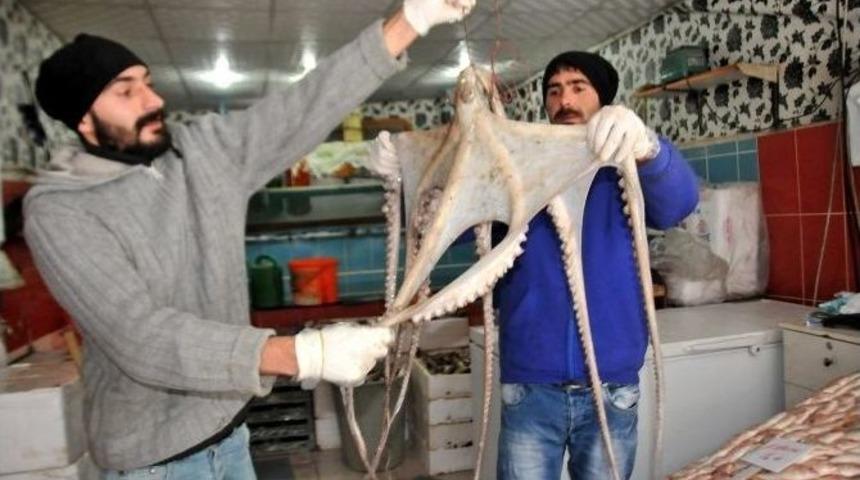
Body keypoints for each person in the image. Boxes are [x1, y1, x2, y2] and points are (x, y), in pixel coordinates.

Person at [23, 1, 475, 477]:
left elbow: (296, 109)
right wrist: (301, 354)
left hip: (232, 438)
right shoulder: (60, 211)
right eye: (125, 91)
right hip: (153, 462)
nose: (152, 101)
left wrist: (409, 22)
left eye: (148, 83)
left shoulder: (198, 153)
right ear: (83, 119)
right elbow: (140, 336)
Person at [492, 51, 698, 480]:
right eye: (554, 90)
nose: (564, 99)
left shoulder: (626, 170)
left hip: (612, 386)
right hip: (530, 385)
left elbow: (678, 203)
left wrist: (647, 146)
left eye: (577, 87)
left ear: (604, 100)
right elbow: (454, 226)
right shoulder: (520, 172)